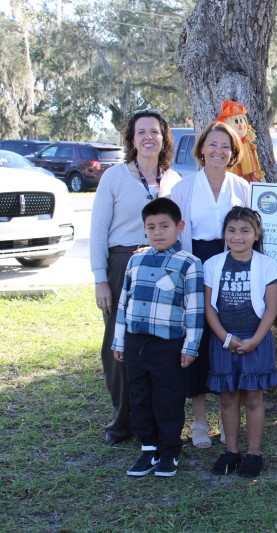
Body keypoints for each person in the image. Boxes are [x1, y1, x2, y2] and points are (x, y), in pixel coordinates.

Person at [90, 108, 181, 445]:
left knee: (156, 345)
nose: (148, 137)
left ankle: (154, 420)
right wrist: (101, 278)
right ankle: (121, 420)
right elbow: (98, 231)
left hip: (162, 265)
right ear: (131, 139)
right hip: (122, 263)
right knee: (118, 341)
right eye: (141, 132)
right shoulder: (114, 177)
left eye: (154, 132)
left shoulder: (174, 181)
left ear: (163, 138)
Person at [170, 121, 250, 448]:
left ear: (233, 153)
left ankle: (227, 414)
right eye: (212, 145)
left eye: (225, 147)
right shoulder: (182, 188)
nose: (218, 151)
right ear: (201, 148)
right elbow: (174, 237)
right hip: (196, 265)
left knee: (226, 338)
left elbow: (249, 232)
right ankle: (200, 418)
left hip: (231, 266)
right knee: (199, 340)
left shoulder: (242, 188)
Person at [112, 198, 204, 477]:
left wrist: (190, 347)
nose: (158, 232)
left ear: (179, 227)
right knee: (140, 396)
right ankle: (148, 450)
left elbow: (194, 309)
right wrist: (119, 340)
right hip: (136, 342)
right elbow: (123, 303)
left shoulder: (188, 263)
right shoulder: (136, 259)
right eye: (151, 227)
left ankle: (169, 451)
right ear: (144, 230)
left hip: (169, 345)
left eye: (164, 226)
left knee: (168, 398)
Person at [204, 207, 277, 477]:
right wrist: (226, 338)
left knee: (253, 398)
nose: (237, 237)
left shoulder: (267, 264)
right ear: (224, 233)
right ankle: (231, 452)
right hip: (224, 339)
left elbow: (271, 308)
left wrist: (254, 341)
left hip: (255, 339)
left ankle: (254, 454)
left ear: (256, 234)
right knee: (227, 398)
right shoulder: (213, 264)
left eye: (245, 231)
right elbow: (209, 308)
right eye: (231, 231)